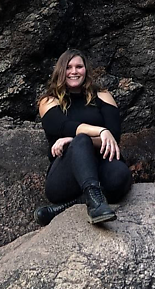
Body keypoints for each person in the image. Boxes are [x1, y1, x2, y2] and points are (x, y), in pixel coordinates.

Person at [34, 49, 132, 225]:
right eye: (68, 67)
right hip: (66, 172)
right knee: (81, 140)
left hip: (102, 164)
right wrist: (98, 132)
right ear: (61, 70)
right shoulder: (48, 101)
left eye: (79, 67)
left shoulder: (102, 95)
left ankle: (67, 207)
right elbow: (65, 127)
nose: (74, 71)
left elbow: (113, 138)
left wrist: (73, 140)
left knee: (121, 176)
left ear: (86, 70)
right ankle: (96, 204)